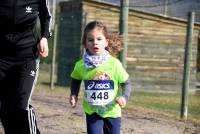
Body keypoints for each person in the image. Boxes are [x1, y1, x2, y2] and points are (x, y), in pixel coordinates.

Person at [69, 21, 132, 134]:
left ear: (106, 42)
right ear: (85, 43)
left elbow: (126, 83)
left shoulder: (114, 64)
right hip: (93, 112)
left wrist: (124, 97)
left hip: (112, 111)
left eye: (99, 39)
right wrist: (74, 94)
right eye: (90, 40)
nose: (95, 43)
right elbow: (75, 79)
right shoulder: (81, 65)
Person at [0, 0, 51, 133]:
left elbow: (46, 16)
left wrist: (44, 37)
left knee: (21, 106)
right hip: (2, 58)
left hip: (27, 57)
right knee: (5, 108)